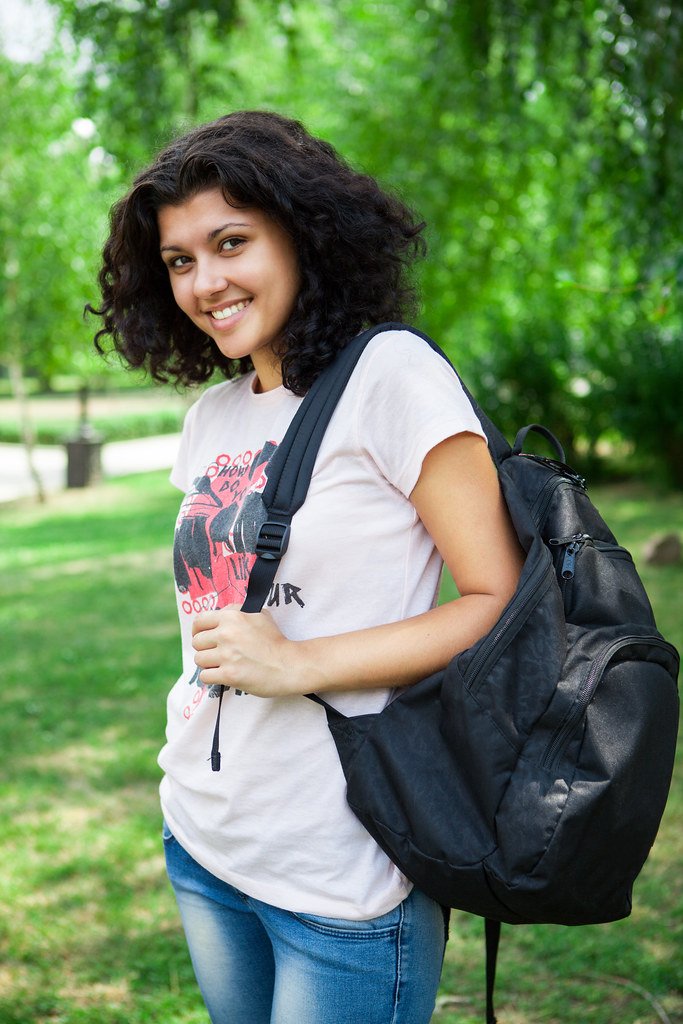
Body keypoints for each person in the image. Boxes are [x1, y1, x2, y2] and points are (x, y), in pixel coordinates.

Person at [90, 110, 524, 1024]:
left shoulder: (390, 376)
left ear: (302, 231)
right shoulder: (213, 414)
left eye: (230, 242)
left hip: (345, 865)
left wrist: (299, 664)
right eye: (178, 261)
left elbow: (497, 599)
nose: (204, 282)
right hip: (206, 837)